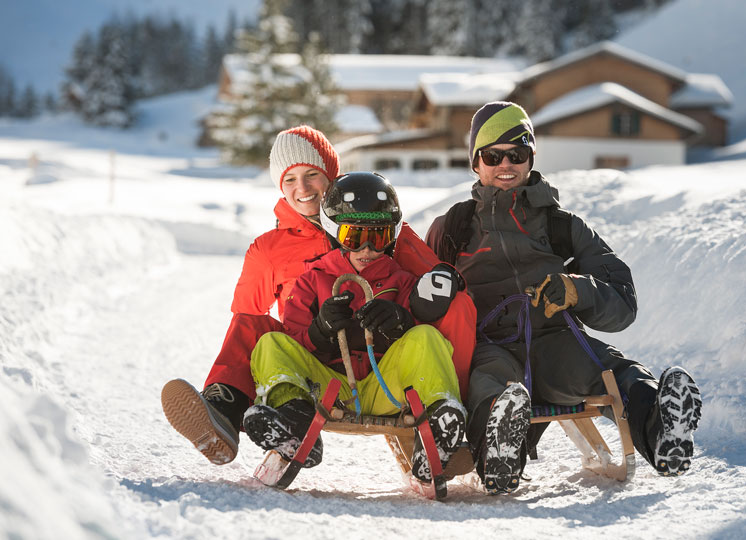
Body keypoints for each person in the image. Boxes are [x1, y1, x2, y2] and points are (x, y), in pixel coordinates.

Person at [425, 101, 702, 495]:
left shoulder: (562, 227)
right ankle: (499, 454)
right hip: (488, 344)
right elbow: (419, 291)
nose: (506, 164)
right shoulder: (451, 228)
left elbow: (624, 301)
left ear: (531, 157)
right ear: (476, 162)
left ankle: (663, 430)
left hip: (554, 340)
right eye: (492, 155)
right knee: (491, 385)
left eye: (516, 154)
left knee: (610, 369)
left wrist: (578, 289)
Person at [161, 126, 476, 467]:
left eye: (312, 174)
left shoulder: (376, 220)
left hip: (383, 365)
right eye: (290, 180)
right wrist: (315, 332)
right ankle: (227, 411)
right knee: (256, 330)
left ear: (331, 176)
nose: (303, 189)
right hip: (318, 364)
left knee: (451, 310)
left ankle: (447, 415)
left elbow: (436, 286)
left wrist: (405, 319)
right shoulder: (270, 250)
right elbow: (247, 320)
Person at [244, 172, 466, 483]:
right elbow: (293, 336)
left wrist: (401, 324)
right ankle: (293, 419)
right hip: (327, 389)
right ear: (335, 233)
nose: (365, 249)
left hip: (386, 388)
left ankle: (441, 421)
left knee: (427, 336)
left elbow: (419, 345)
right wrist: (320, 331)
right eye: (353, 237)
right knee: (270, 344)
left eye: (377, 237)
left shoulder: (401, 281)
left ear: (390, 236)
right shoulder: (314, 279)